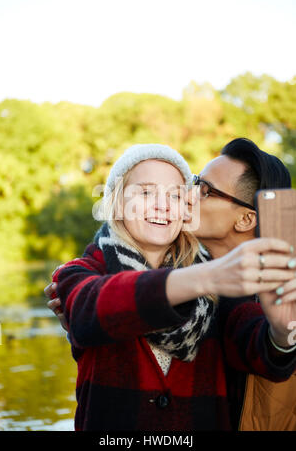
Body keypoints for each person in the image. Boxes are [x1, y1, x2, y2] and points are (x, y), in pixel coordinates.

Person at [45, 142, 296, 431]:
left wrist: (281, 331)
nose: (168, 204)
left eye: (178, 194)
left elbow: (257, 344)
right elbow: (89, 309)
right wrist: (203, 277)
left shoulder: (223, 292)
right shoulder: (82, 272)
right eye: (146, 192)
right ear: (116, 202)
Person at [186, 137, 296, 430]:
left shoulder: (273, 295)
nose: (188, 196)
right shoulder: (181, 274)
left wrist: (282, 336)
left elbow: (263, 346)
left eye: (205, 190)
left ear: (246, 219)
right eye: (194, 183)